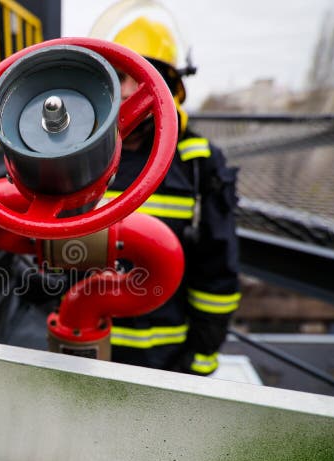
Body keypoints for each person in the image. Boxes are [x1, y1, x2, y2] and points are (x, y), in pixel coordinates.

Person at [94, 6, 241, 375]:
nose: (127, 91)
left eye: (142, 76)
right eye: (117, 75)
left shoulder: (197, 162)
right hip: (86, 345)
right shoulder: (83, 158)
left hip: (164, 362)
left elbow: (217, 268)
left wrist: (201, 356)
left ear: (168, 86)